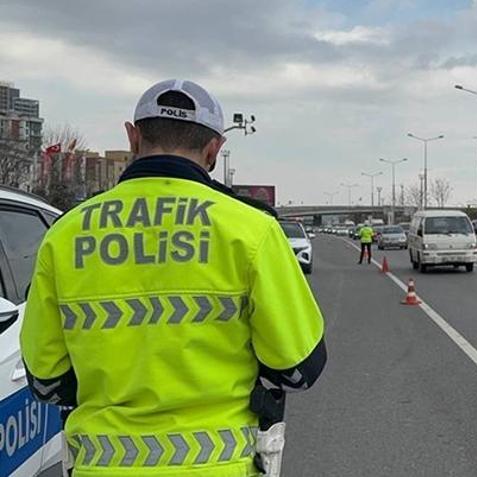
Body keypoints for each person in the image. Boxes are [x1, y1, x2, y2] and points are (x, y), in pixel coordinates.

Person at [20, 79, 326, 477]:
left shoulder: (66, 233)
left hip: (101, 467)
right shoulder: (251, 230)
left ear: (133, 138)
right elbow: (300, 368)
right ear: (214, 149)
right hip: (220, 467)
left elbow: (46, 380)